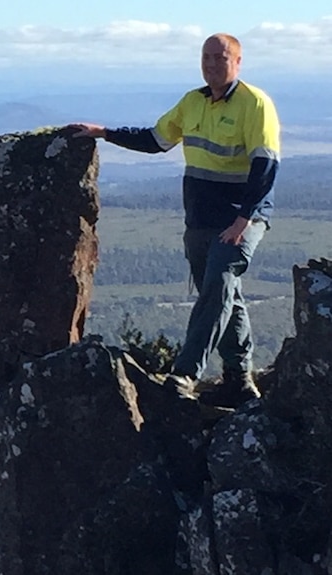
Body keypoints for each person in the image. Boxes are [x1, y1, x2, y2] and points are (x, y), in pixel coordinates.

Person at [72, 33, 281, 407]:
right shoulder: (192, 102)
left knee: (219, 283)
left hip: (240, 219)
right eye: (207, 57)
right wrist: (104, 133)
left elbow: (265, 167)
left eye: (221, 57)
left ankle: (186, 373)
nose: (212, 64)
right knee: (221, 295)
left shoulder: (255, 104)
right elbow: (156, 140)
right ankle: (239, 377)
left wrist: (243, 219)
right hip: (200, 219)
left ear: (237, 61)